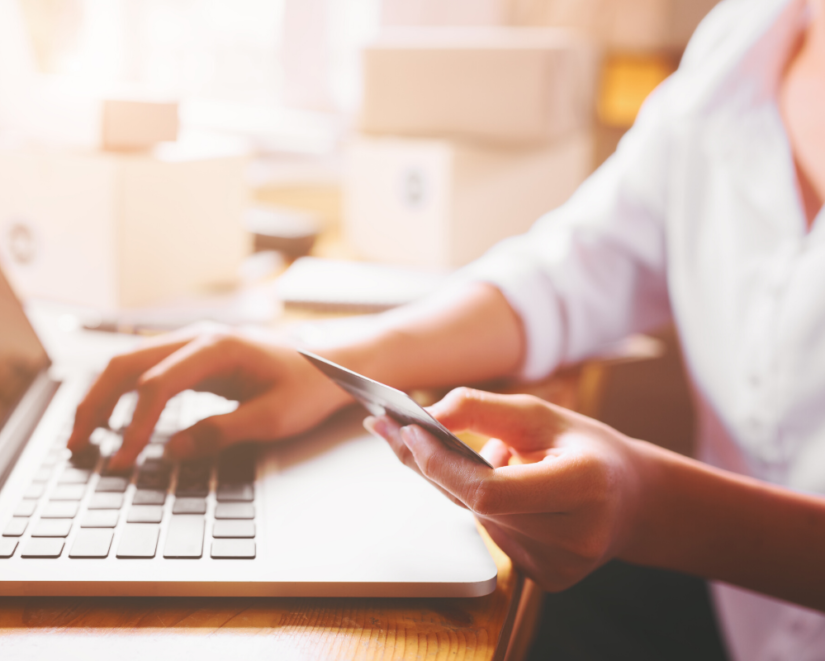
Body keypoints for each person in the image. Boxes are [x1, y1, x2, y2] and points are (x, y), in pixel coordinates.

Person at [68, 0, 825, 657]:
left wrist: (648, 503)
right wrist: (327, 361)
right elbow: (574, 267)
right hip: (740, 616)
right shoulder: (750, 40)